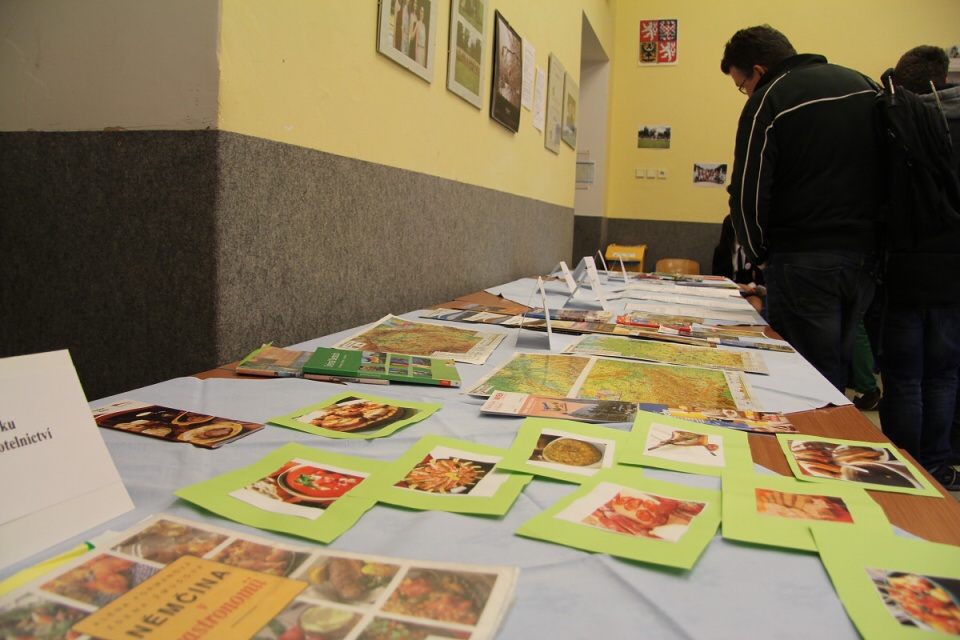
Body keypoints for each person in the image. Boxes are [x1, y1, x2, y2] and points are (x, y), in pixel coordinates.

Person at [721, 25, 882, 393]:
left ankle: (814, 430)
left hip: (801, 258)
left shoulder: (768, 99)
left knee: (803, 381)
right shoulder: (864, 85)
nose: (746, 93)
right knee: (837, 369)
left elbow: (746, 193)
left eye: (742, 85)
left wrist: (760, 256)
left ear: (759, 71)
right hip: (864, 257)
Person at [877, 45, 960, 489]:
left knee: (904, 379)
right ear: (944, 76)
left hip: (905, 267)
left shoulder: (896, 119)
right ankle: (938, 466)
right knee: (943, 376)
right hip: (953, 274)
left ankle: (903, 470)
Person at [711, 214, 765, 315]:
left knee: (755, 305)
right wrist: (736, 286)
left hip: (749, 291)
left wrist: (749, 287)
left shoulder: (752, 251)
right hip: (727, 291)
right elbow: (717, 277)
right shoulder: (720, 251)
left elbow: (761, 277)